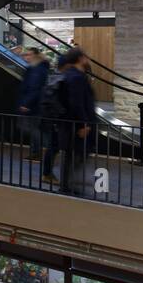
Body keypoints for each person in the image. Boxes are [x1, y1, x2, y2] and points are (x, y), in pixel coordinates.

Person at [43, 47, 96, 196]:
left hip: (68, 123)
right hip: (73, 124)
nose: (88, 60)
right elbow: (76, 102)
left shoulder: (69, 75)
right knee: (73, 154)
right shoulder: (77, 77)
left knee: (72, 154)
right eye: (86, 57)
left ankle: (69, 184)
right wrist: (83, 124)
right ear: (80, 58)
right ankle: (68, 186)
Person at [16, 47, 50, 160]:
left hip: (33, 105)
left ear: (36, 55)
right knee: (33, 128)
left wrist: (26, 103)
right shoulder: (37, 68)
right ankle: (36, 151)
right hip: (36, 104)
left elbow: (34, 88)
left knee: (31, 128)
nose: (26, 57)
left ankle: (43, 149)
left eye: (29, 55)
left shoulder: (37, 69)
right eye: (25, 55)